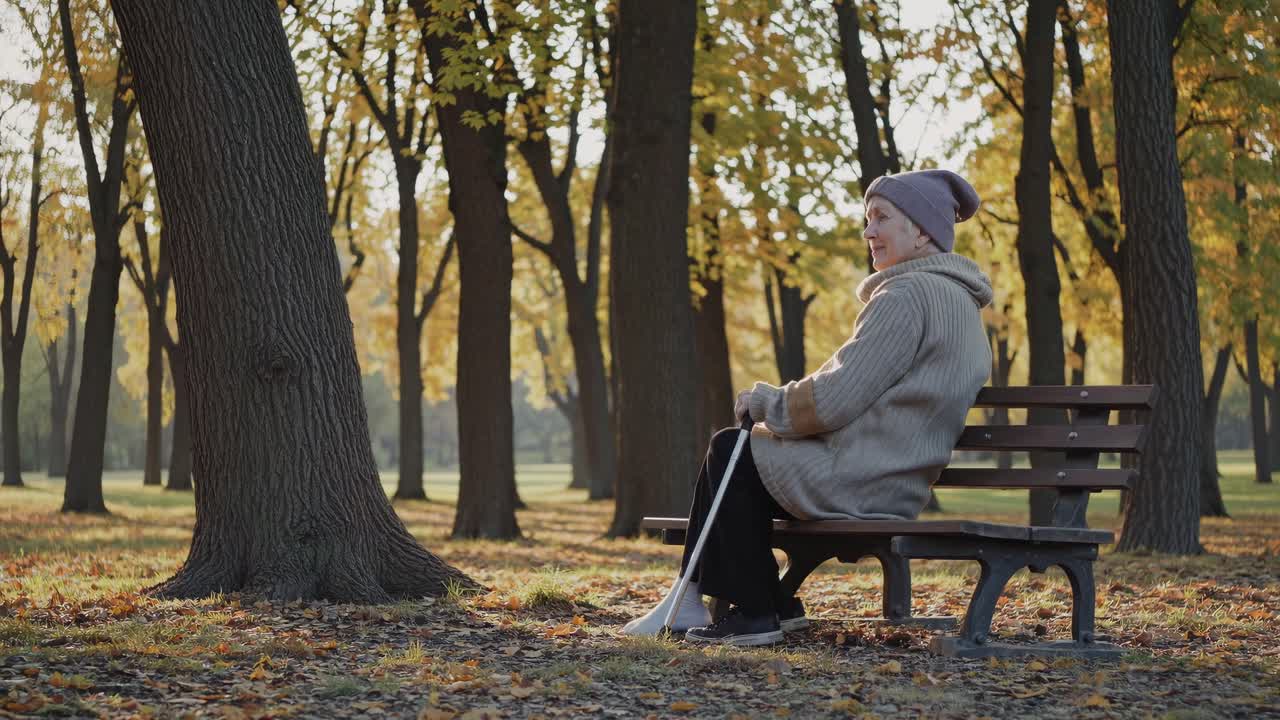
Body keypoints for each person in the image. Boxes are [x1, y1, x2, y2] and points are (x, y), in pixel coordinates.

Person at [620, 169, 995, 647]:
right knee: (740, 452)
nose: (869, 232)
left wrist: (766, 403)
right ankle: (747, 600)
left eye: (882, 218)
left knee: (730, 447)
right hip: (896, 477)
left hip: (862, 477)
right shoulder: (961, 303)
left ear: (921, 230)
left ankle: (752, 612)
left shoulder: (905, 297)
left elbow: (836, 398)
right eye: (867, 219)